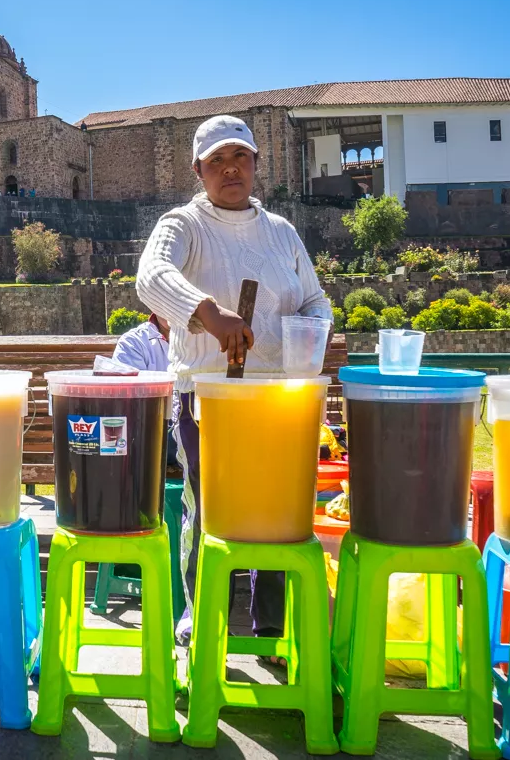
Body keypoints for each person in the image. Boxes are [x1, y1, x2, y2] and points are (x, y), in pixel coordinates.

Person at [137, 114, 333, 650]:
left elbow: (314, 298)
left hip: (279, 398)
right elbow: (152, 278)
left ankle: (270, 622)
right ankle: (204, 616)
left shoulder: (282, 233)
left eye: (239, 158)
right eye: (217, 161)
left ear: (255, 165)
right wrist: (208, 314)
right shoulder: (184, 225)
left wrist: (315, 329)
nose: (230, 169)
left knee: (277, 511)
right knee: (210, 506)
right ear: (198, 170)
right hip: (209, 397)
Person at [112, 313, 178, 467]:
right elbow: (129, 405)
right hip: (155, 436)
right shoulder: (133, 342)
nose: (173, 306)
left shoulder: (207, 341)